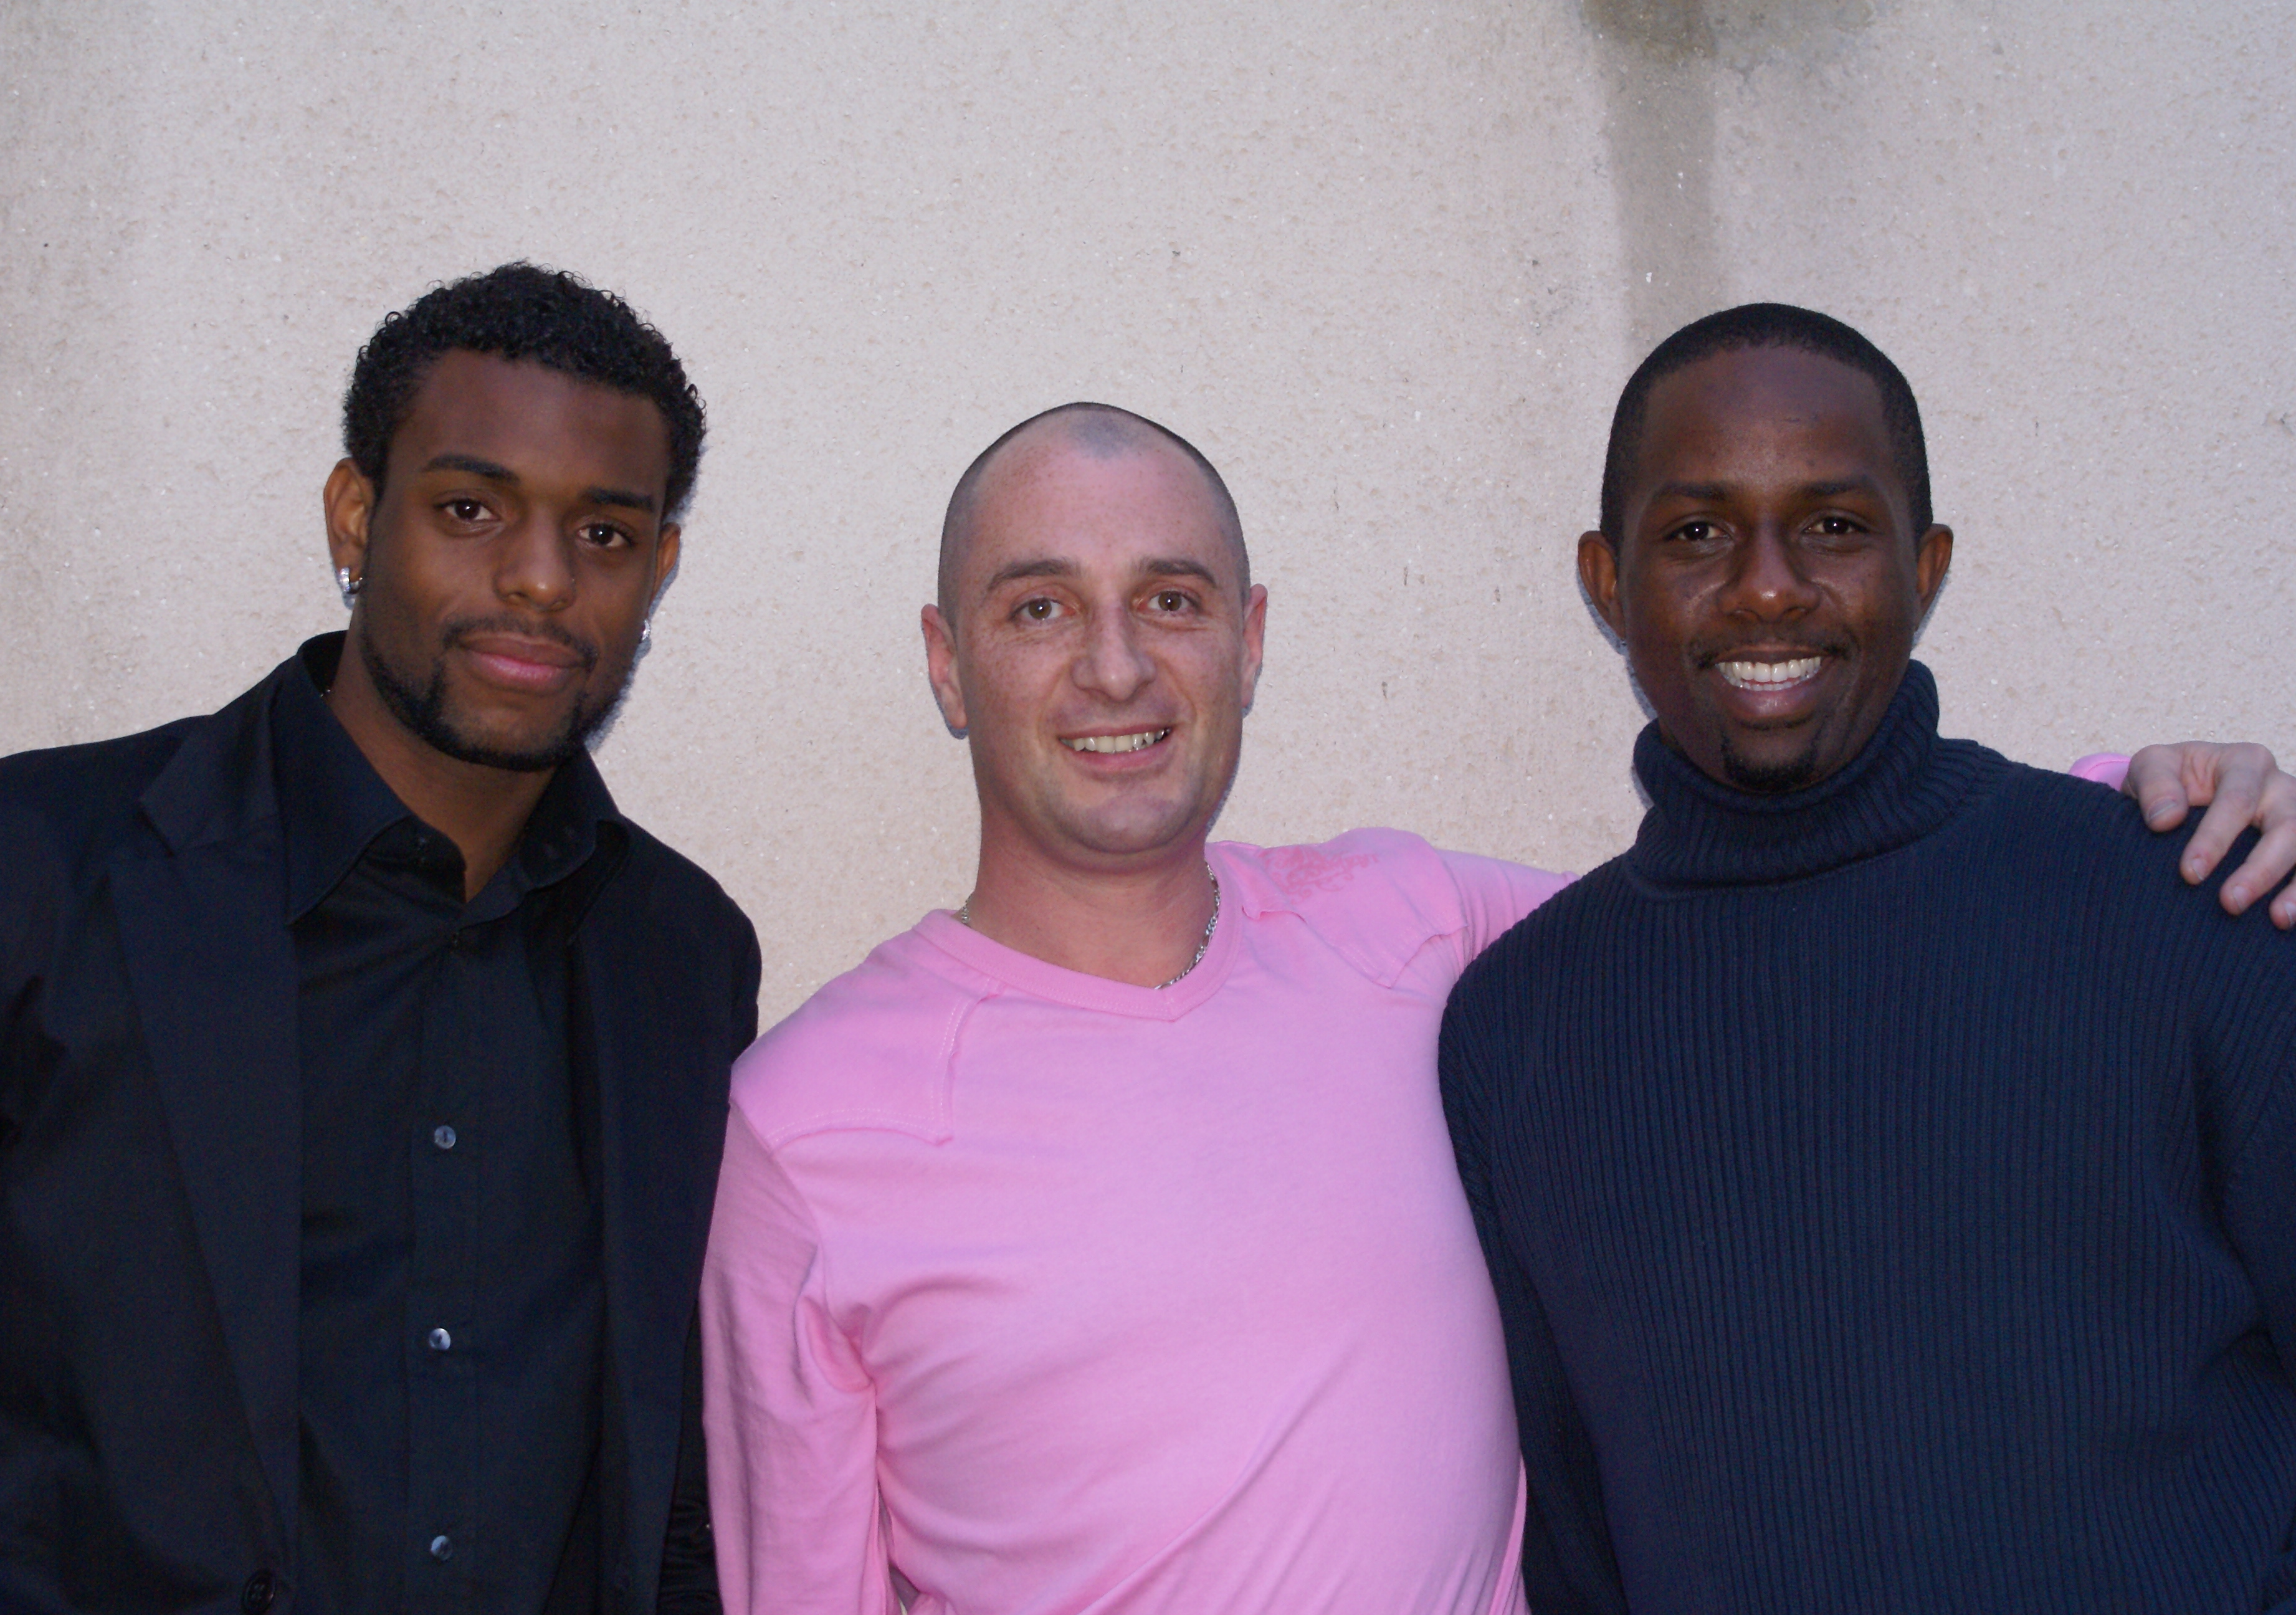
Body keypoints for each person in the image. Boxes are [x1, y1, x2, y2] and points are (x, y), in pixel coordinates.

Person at [698, 401, 2292, 1614]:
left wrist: (2132, 817)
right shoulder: (810, 1123)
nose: (1115, 669)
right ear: (946, 661)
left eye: (1172, 600)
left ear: (1249, 644)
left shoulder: (1413, 933)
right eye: (1039, 607)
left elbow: (1768, 900)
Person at [0, 264, 756, 1615]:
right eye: (470, 509)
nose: (540, 578)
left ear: (659, 569)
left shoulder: (683, 956)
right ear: (357, 514)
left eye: (603, 532)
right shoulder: (9, 871)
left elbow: (678, 1487)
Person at [1439, 303, 2296, 1614]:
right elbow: (1577, 1543)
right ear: (1607, 583)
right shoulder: (1519, 1030)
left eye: (1833, 526)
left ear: (1925, 567)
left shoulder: (2189, 905)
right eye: (1696, 533)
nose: (1767, 585)